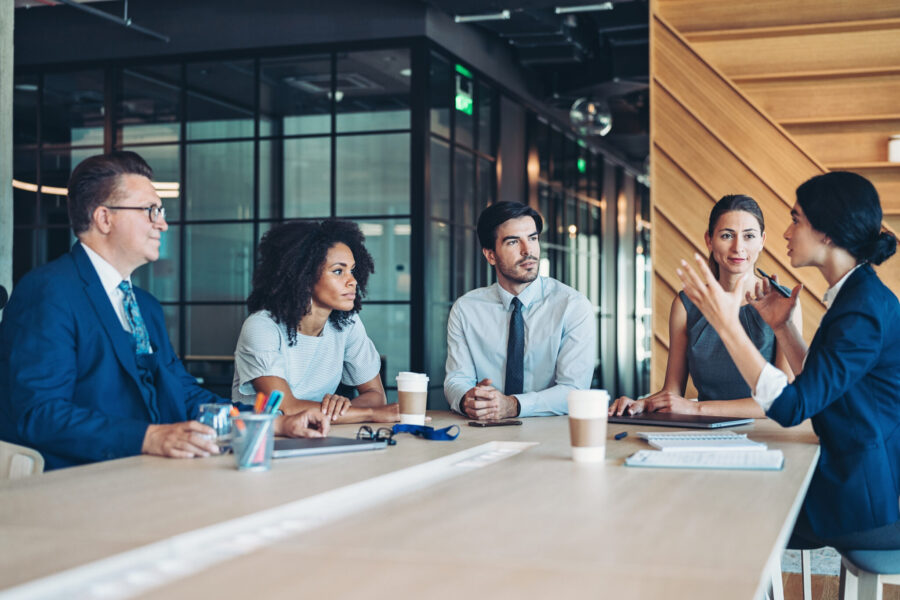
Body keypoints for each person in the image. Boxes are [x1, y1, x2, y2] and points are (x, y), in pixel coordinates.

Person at [0, 152, 328, 470]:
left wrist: (275, 423)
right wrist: (149, 438)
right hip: (79, 484)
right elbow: (40, 414)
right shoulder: (48, 292)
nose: (163, 224)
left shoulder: (145, 305)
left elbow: (183, 395)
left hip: (150, 474)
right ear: (104, 218)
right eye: (150, 210)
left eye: (161, 210)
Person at [678, 171, 900, 549]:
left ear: (827, 233)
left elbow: (792, 407)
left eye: (796, 219)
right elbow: (821, 389)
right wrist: (782, 327)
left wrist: (727, 324)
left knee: (707, 511)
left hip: (859, 502)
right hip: (853, 482)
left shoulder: (862, 309)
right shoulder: (856, 296)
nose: (785, 232)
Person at [610, 195, 800, 418]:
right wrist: (640, 404)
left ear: (762, 241)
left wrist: (696, 408)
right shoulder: (685, 305)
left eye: (749, 236)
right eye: (727, 235)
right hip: (704, 430)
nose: (738, 247)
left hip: (768, 434)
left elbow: (784, 399)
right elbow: (672, 391)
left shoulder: (783, 302)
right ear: (709, 240)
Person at [232, 219, 398, 424]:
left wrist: (342, 407)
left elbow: (376, 395)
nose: (352, 280)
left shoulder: (347, 324)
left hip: (320, 435)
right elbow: (287, 408)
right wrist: (370, 414)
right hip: (265, 443)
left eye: (352, 270)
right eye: (338, 271)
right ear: (304, 276)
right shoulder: (262, 327)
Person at [444, 201, 596, 420]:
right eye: (513, 242)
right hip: (484, 432)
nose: (528, 251)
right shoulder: (466, 309)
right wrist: (466, 399)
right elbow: (456, 380)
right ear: (490, 255)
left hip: (552, 436)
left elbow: (574, 390)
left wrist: (513, 405)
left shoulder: (572, 306)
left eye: (533, 238)